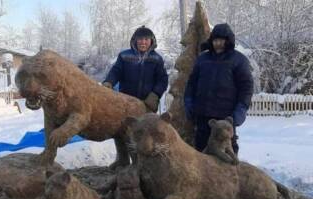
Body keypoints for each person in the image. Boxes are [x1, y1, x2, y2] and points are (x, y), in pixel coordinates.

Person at [184, 23, 254, 154]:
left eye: (221, 40)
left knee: (227, 153)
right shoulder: (202, 59)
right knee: (201, 152)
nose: (218, 44)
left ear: (228, 41)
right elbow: (192, 83)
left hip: (226, 117)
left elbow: (246, 87)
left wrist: (241, 110)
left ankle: (230, 174)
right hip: (203, 115)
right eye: (215, 40)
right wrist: (189, 103)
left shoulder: (239, 60)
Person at [102, 25, 168, 113]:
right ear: (135, 40)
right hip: (125, 102)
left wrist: (155, 94)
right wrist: (109, 82)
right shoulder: (124, 55)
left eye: (146, 39)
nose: (143, 42)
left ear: (151, 41)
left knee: (146, 126)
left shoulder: (157, 59)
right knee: (124, 125)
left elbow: (162, 79)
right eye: (140, 39)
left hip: (147, 103)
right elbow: (116, 71)